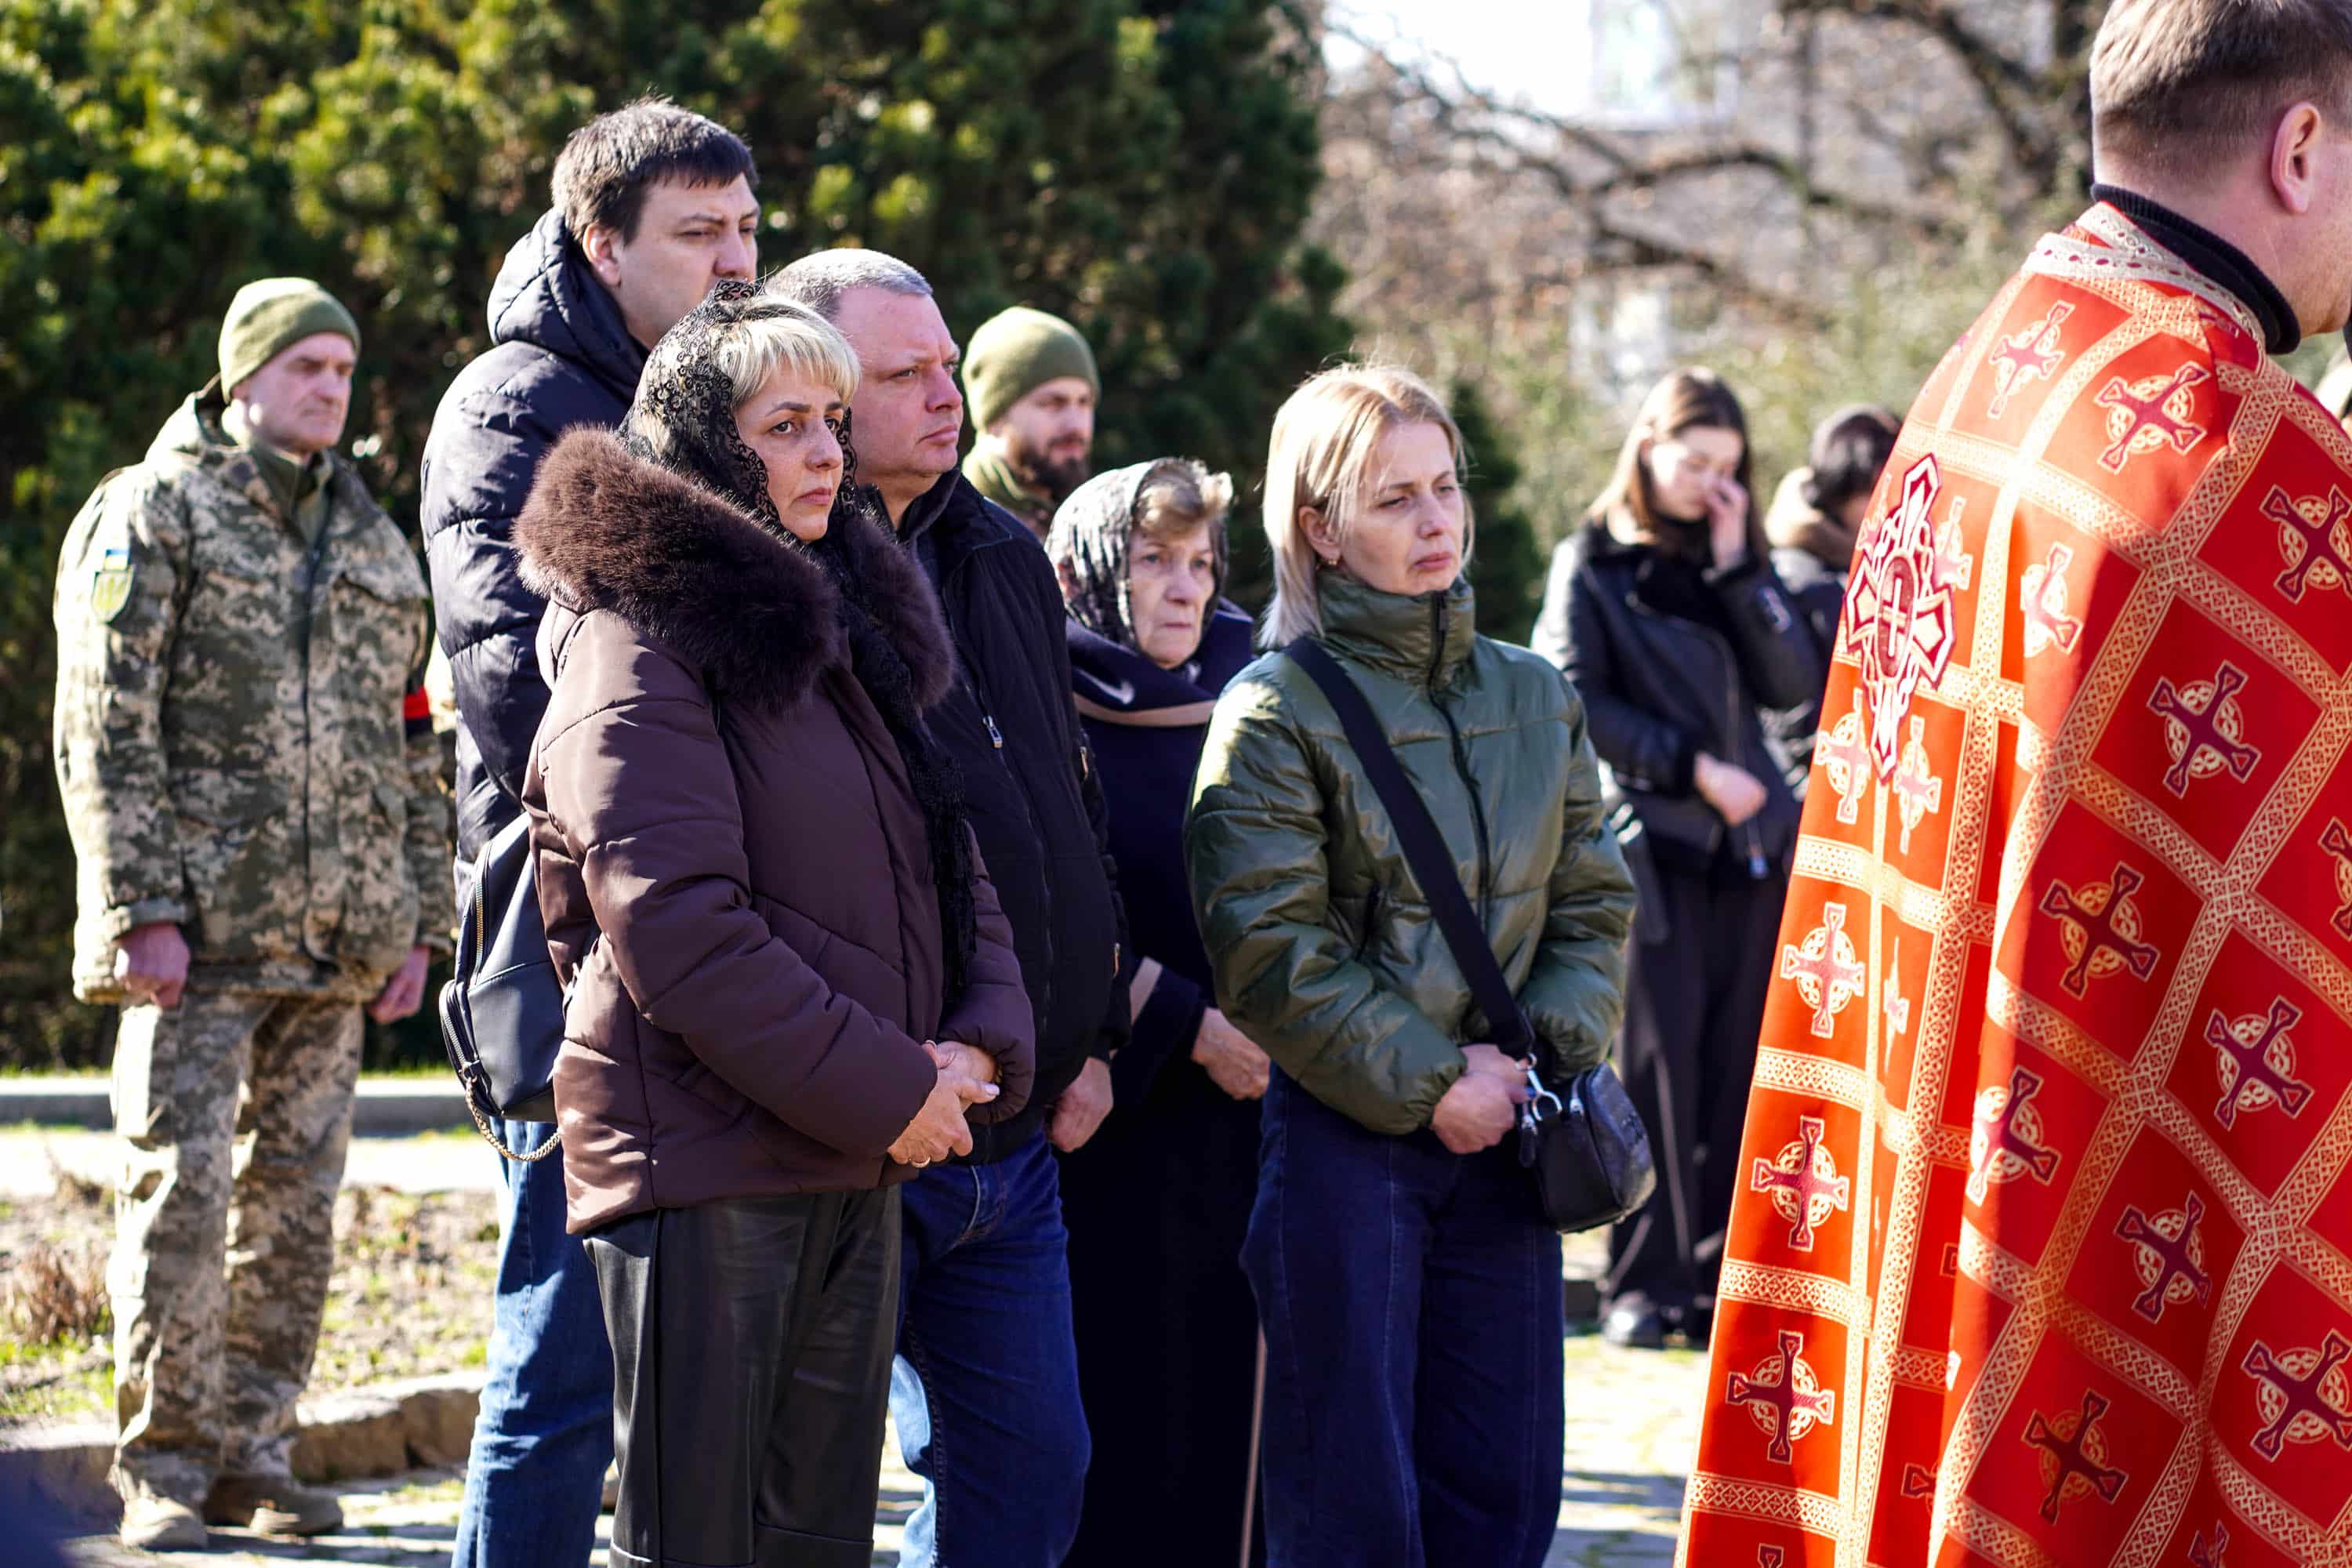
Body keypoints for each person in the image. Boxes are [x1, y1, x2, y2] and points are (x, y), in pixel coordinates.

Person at [1681, 2, 2352, 1563]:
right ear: (2301, 147)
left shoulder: (1978, 390)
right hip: (2107, 1252)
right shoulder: (2241, 461)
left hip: (1953, 1185)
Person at [516, 282, 1035, 1568]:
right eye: (786, 424)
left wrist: (975, 1040)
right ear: (702, 445)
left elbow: (948, 849)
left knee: (815, 1548)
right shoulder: (636, 639)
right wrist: (888, 1090)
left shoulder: (839, 617)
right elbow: (680, 930)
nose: (826, 454)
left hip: (846, 1151)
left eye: (835, 422)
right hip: (705, 1160)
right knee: (695, 1545)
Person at [1187, 365, 1638, 1568]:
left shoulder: (1536, 694)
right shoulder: (1273, 712)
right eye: (1395, 500)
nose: (1437, 521)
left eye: (1445, 488)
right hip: (1349, 1152)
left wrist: (1533, 1058)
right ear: (1319, 528)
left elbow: (1594, 899)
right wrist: (1441, 1084)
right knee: (1353, 1512)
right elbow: (1271, 951)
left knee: (1505, 1497)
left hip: (1513, 1144)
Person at [53, 278, 448, 1550]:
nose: (330, 389)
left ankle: (256, 1458)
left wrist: (421, 922)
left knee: (296, 1208)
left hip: (340, 942)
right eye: (305, 367)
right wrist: (139, 905)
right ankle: (161, 1468)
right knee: (181, 1196)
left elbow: (418, 752)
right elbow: (102, 727)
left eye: (342, 370)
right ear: (241, 380)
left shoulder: (378, 546)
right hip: (199, 938)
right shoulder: (156, 512)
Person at [416, 99, 757, 1568]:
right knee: (563, 1370)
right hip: (570, 945)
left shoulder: (729, 392)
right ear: (599, 243)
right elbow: (515, 686)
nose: (738, 264)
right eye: (700, 235)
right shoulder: (515, 407)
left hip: (727, 926)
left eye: (750, 229)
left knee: (689, 1386)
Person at [769, 251, 1127, 1568]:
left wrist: (1090, 1029)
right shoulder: (778, 574)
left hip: (1016, 1128)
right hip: (859, 1122)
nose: (948, 394)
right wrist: (881, 1069)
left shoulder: (1003, 556)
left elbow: (1065, 811)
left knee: (1033, 1479)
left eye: (946, 363)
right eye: (905, 371)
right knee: (797, 1499)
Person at [1530, 368, 1822, 1350]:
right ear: (1647, 446)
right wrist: (1691, 767)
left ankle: (1719, 1283)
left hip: (1751, 854)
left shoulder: (1737, 564)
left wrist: (1743, 564)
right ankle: (1642, 1285)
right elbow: (1573, 696)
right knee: (1655, 1069)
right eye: (1693, 461)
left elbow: (1795, 682)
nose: (1708, 483)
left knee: (1742, 1069)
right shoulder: (1593, 563)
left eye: (1729, 469)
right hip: (1652, 847)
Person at [1044, 461, 1268, 1567]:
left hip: (1248, 1122)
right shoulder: (1047, 702)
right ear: (1092, 572)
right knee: (1116, 1403)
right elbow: (1049, 892)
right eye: (1151, 563)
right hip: (1113, 1119)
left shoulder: (1259, 699)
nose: (1182, 589)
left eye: (1199, 564)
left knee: (1231, 1420)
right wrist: (1183, 1019)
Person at [1761, 404, 1900, 792]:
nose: (1890, 502)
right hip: (1830, 784)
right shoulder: (1794, 576)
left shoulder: (1878, 560)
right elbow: (1792, 711)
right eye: (1876, 488)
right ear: (1841, 487)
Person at [960, 305, 1100, 536]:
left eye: (1084, 402)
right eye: (1053, 403)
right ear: (995, 418)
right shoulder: (951, 532)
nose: (1076, 425)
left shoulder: (1091, 528)